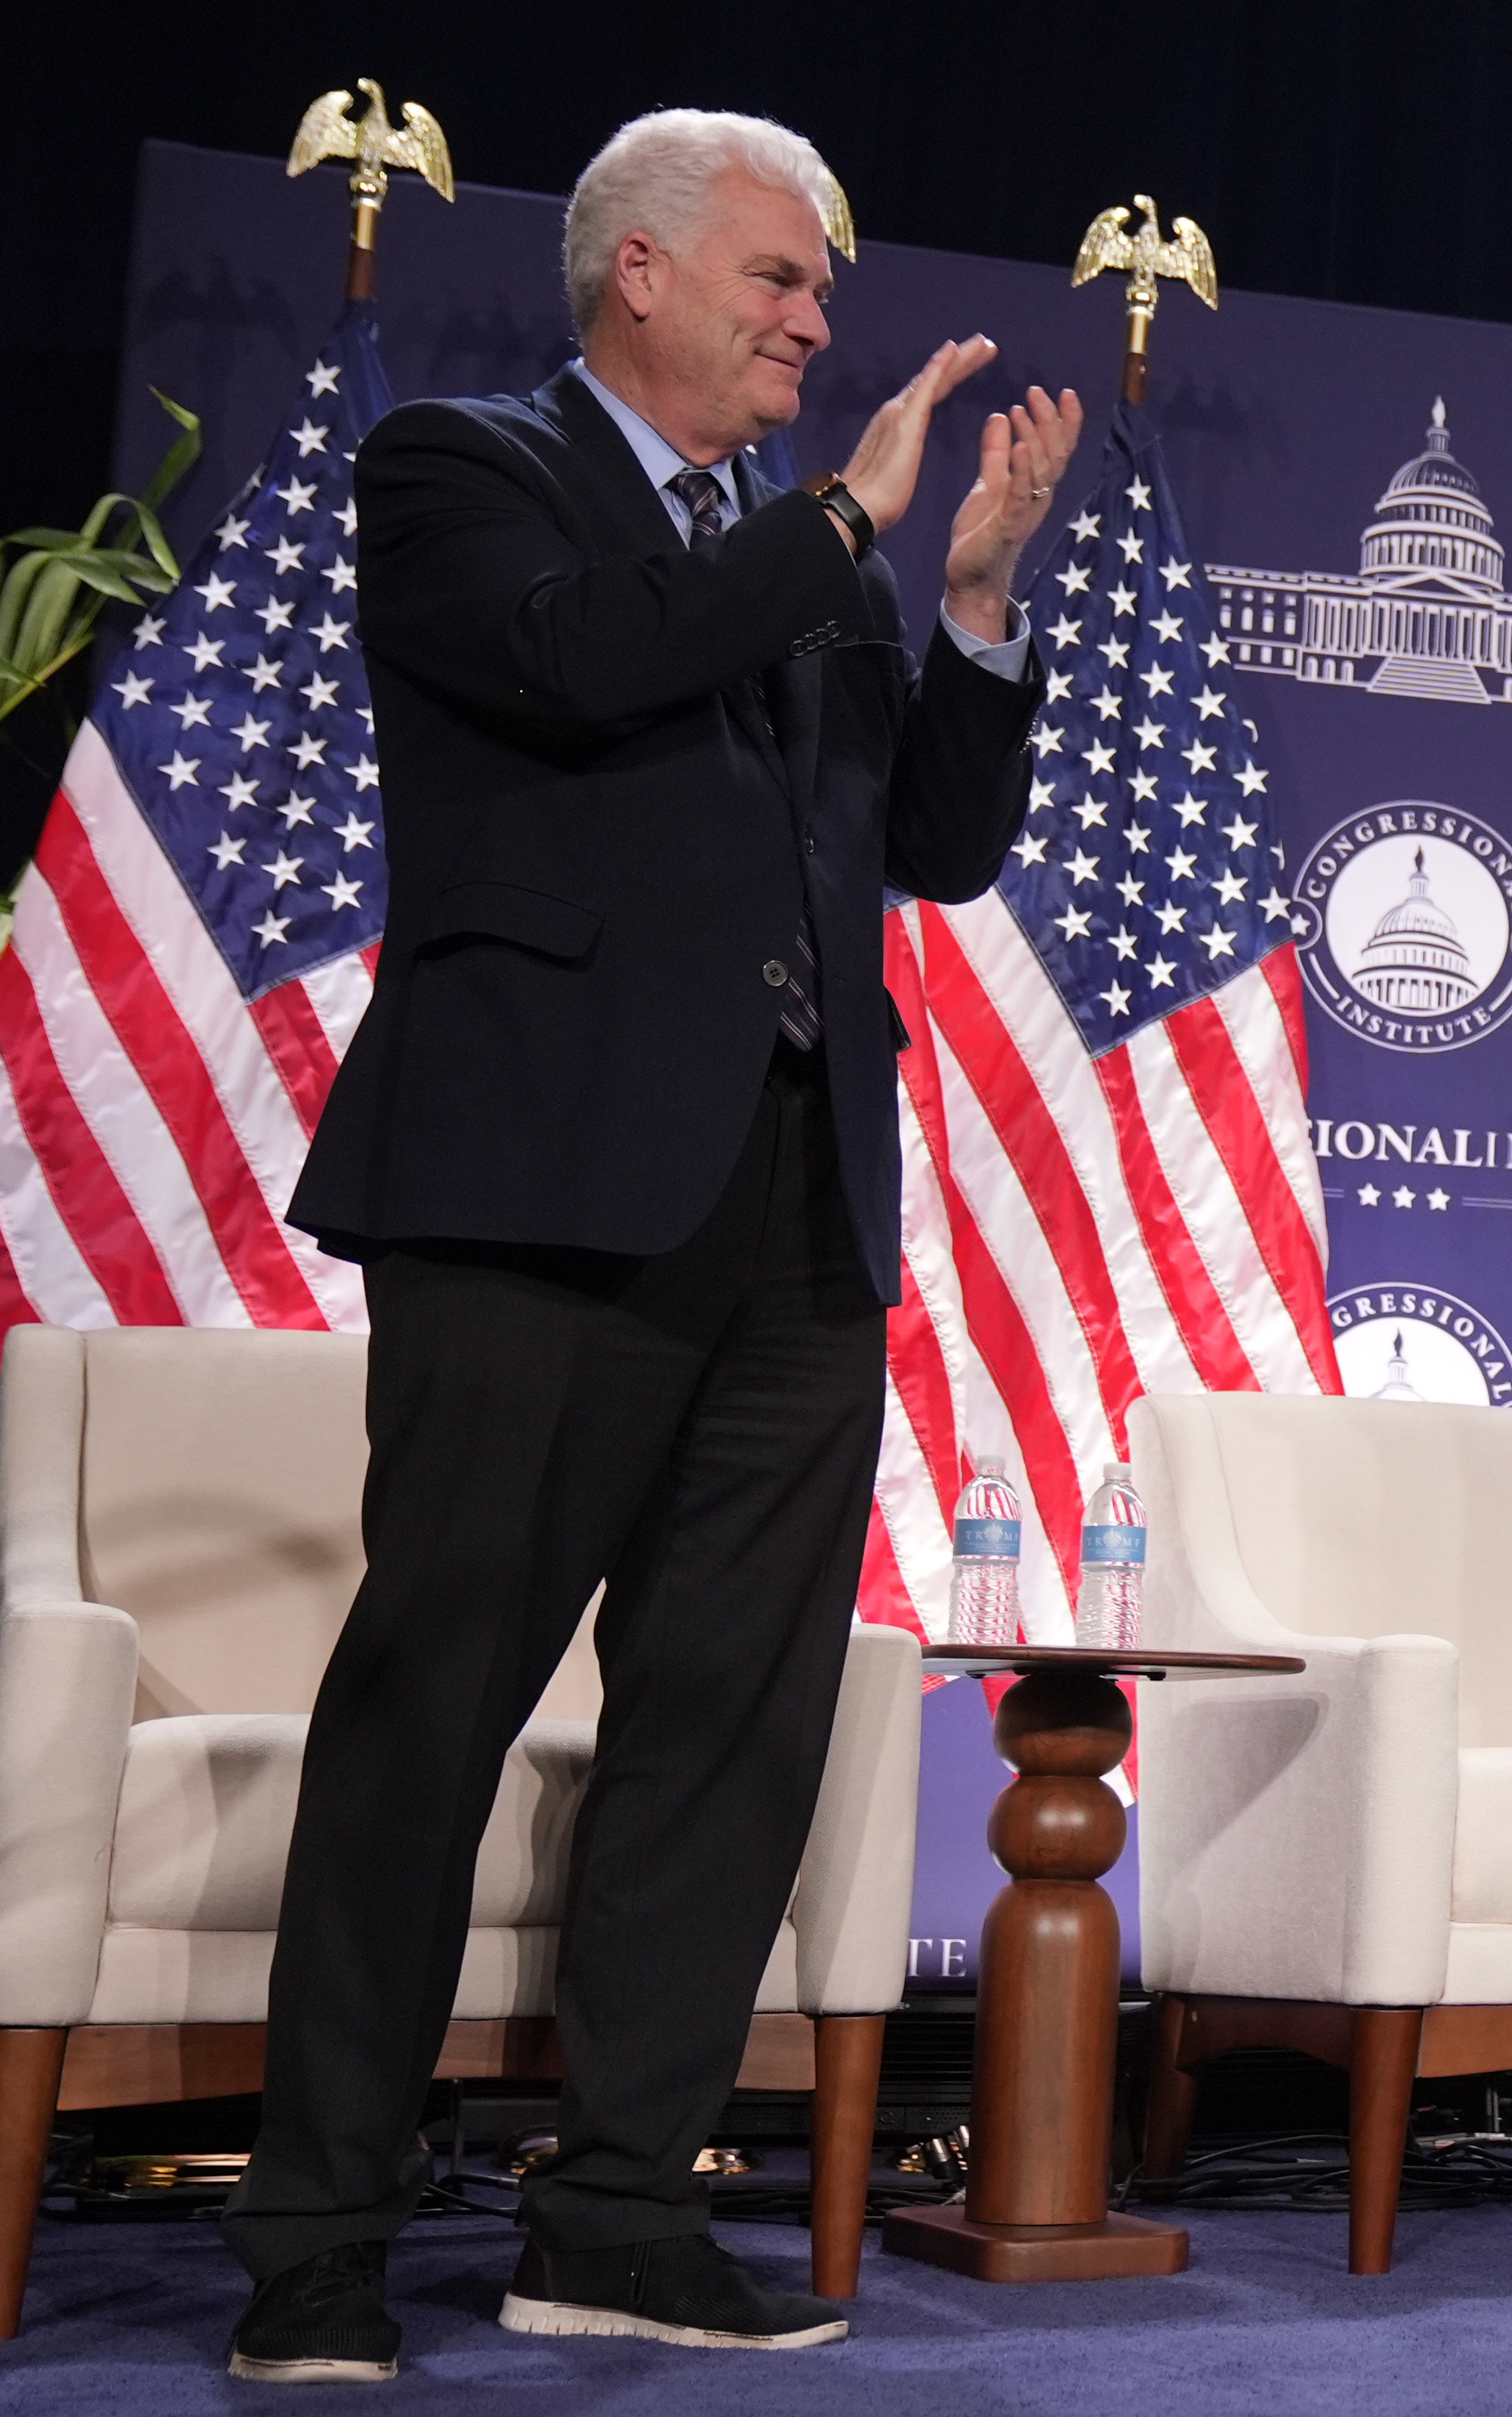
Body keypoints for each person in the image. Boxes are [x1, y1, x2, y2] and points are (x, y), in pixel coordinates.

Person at [220, 110, 1078, 2383]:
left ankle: (614, 2211)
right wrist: (846, 526)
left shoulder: (821, 558)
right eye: (782, 282)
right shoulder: (460, 470)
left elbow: (934, 846)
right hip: (533, 1197)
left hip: (797, 1212)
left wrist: (971, 600)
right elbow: (589, 663)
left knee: (726, 1728)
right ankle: (313, 2235)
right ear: (641, 279)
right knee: (433, 1708)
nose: (816, 320)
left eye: (817, 291)